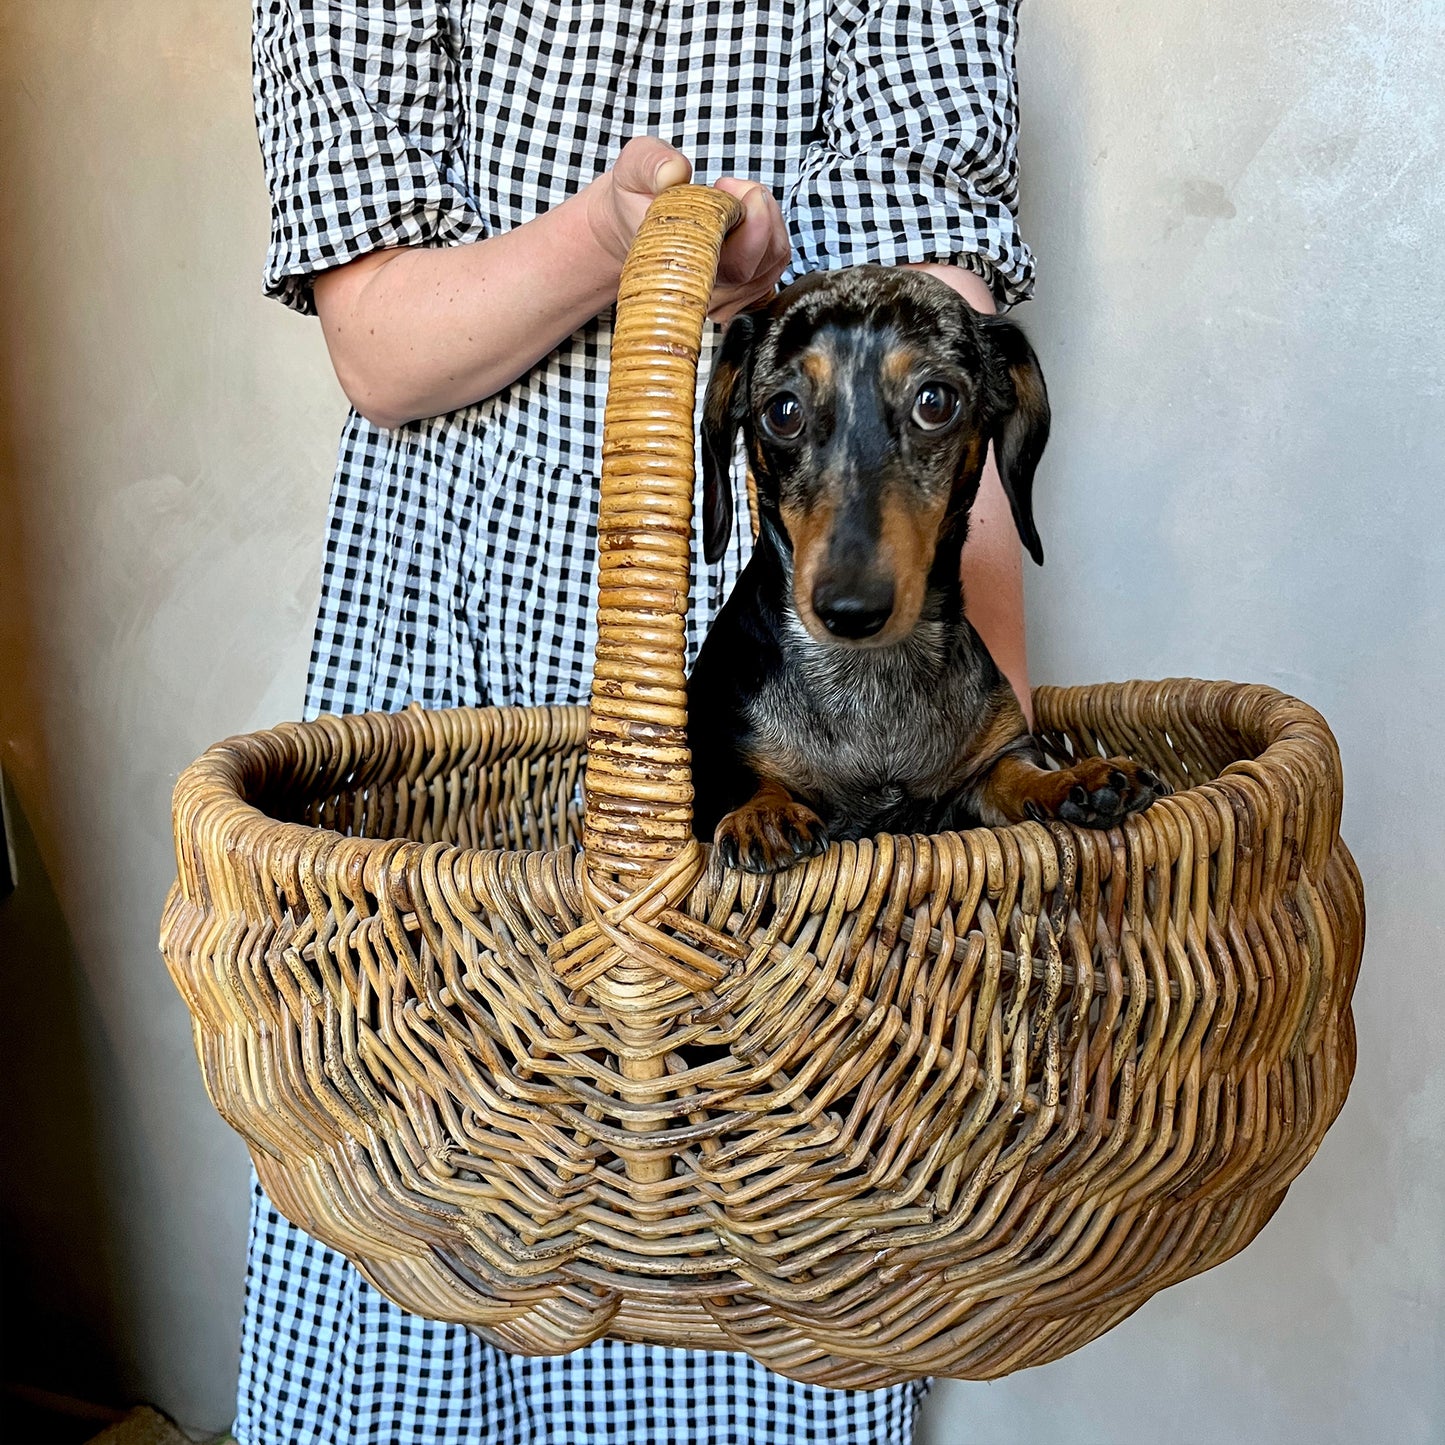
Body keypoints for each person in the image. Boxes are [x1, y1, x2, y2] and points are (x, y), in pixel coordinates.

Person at [243, 2, 1035, 1441]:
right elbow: (382, 347)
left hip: (819, 643)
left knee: (785, 1195)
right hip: (478, 637)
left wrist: (991, 769)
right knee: (459, 1175)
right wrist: (621, 240)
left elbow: (943, 325)